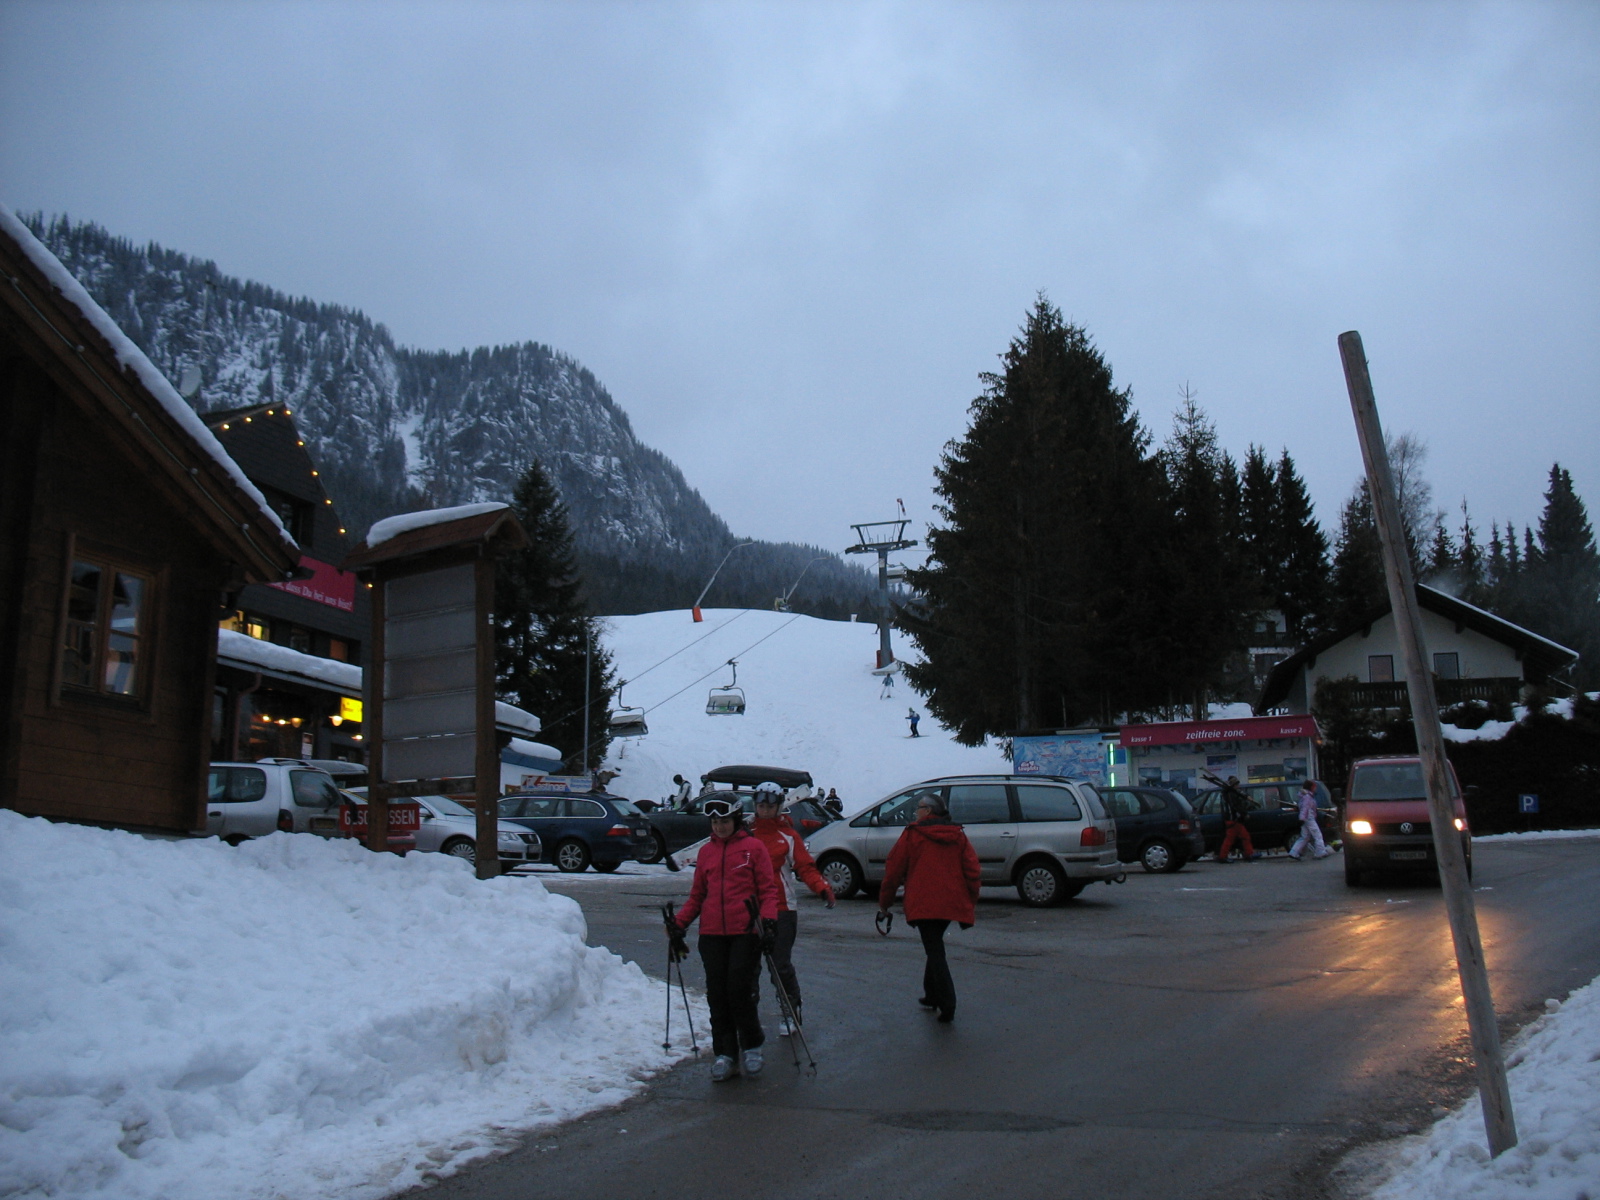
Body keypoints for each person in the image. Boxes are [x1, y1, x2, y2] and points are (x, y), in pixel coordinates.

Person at [670, 795, 780, 1081]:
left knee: (739, 991)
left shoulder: (753, 848)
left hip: (745, 932)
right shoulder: (706, 852)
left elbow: (768, 890)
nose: (720, 827)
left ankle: (752, 1046)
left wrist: (769, 923)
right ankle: (725, 1054)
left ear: (737, 820)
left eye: (725, 821)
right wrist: (679, 923)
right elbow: (698, 896)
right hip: (712, 934)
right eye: (715, 822)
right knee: (717, 995)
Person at [877, 792, 980, 1023]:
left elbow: (893, 871)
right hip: (950, 903)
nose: (916, 812)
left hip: (924, 904)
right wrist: (971, 899)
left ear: (929, 811)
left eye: (919, 807)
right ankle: (932, 995)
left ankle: (948, 1003)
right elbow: (972, 869)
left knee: (934, 950)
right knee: (934, 945)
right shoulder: (957, 835)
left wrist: (884, 904)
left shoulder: (913, 834)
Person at [749, 781, 835, 1034]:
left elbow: (805, 866)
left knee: (779, 963)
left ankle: (790, 1006)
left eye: (769, 806)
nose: (764, 811)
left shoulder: (788, 836)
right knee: (748, 965)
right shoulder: (745, 834)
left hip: (781, 907)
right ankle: (747, 1012)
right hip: (748, 908)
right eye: (760, 806)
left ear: (778, 808)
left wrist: (821, 886)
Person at [1215, 776, 1262, 862]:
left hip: (1232, 819)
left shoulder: (1228, 793)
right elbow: (1236, 806)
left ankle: (1248, 854)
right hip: (1234, 819)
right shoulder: (1231, 795)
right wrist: (1244, 814)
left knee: (1241, 837)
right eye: (1237, 784)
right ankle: (1224, 856)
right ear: (1234, 785)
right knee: (1235, 838)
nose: (1238, 786)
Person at [1288, 780, 1332, 860]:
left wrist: (1301, 819)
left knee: (1305, 836)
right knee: (1317, 834)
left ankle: (1294, 852)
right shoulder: (1308, 797)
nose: (1315, 788)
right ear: (1311, 787)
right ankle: (1320, 852)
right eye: (1314, 787)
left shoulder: (1304, 796)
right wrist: (1302, 818)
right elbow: (1305, 808)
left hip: (1305, 819)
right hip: (1309, 818)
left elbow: (1302, 808)